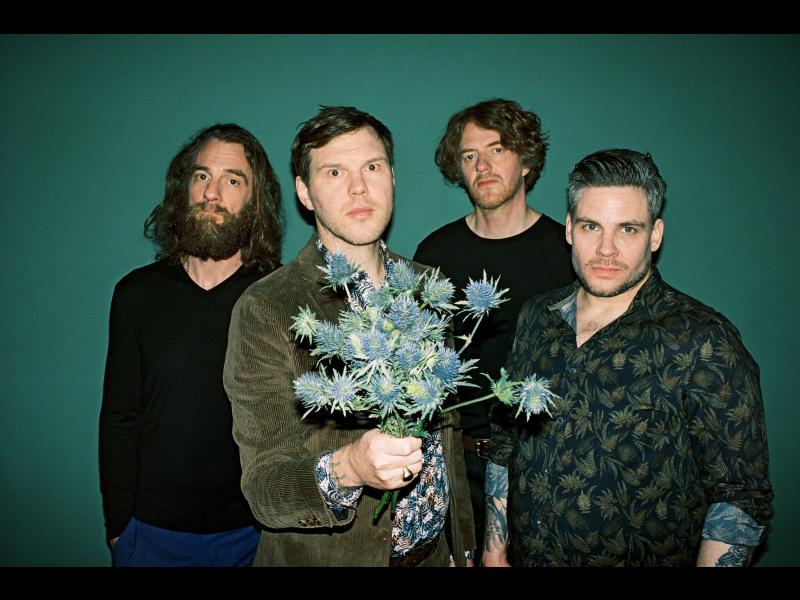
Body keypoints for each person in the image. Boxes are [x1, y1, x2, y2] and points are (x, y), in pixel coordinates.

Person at [483, 148, 773, 567]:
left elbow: (740, 497)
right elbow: (505, 444)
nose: (606, 249)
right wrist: (493, 551)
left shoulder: (702, 340)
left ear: (655, 235)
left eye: (628, 229)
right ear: (569, 228)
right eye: (591, 226)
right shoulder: (537, 317)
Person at [223, 106, 474, 567]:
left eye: (372, 167)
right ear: (305, 192)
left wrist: (463, 547)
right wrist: (350, 468)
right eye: (335, 172)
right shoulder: (266, 307)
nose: (359, 187)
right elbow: (264, 489)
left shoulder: (429, 287)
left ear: (392, 177)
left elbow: (446, 442)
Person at [99, 123, 283, 566]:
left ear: (255, 201)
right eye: (202, 176)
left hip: (253, 535)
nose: (211, 193)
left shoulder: (279, 296)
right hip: (150, 536)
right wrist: (119, 528)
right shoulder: (137, 295)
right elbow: (120, 417)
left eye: (232, 180)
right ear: (183, 188)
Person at [413, 98, 574, 561]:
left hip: (543, 466)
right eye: (469, 155)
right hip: (457, 466)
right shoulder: (436, 253)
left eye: (497, 149)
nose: (482, 166)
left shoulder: (566, 253)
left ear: (526, 161)